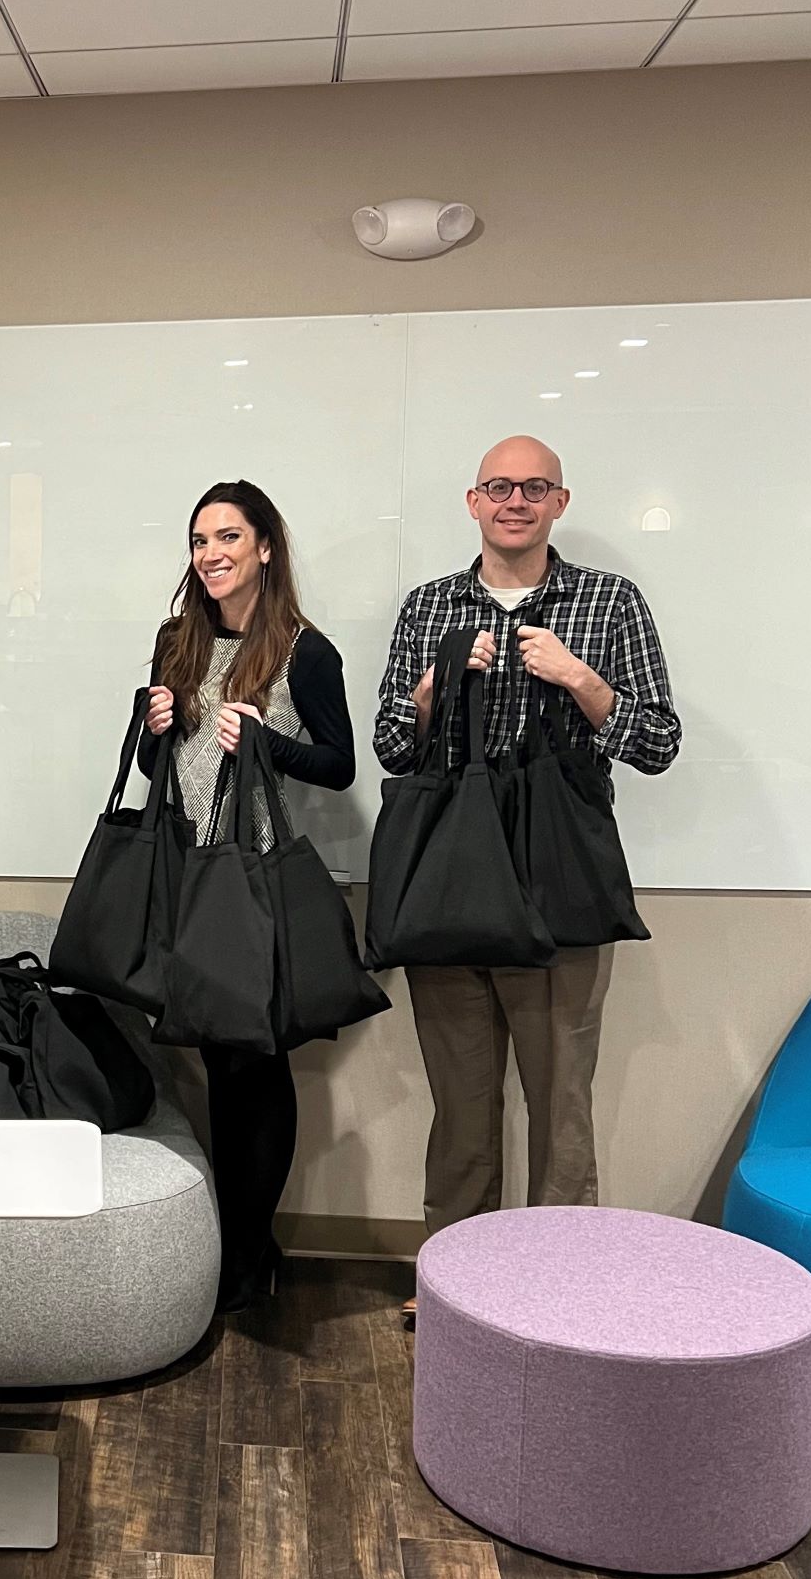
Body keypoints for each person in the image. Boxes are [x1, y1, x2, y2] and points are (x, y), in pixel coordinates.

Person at [375, 436, 680, 1312]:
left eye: (533, 487)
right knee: (461, 1113)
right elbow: (392, 746)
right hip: (450, 882)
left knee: (560, 1109)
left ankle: (557, 1292)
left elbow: (657, 744)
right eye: (499, 487)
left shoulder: (607, 600)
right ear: (472, 502)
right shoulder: (430, 606)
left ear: (560, 501)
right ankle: (454, 1289)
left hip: (559, 886)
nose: (515, 500)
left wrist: (581, 680)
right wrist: (433, 689)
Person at [143, 479, 358, 1312]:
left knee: (255, 1062)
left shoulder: (305, 651)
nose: (211, 555)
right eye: (199, 541)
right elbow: (151, 771)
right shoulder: (177, 641)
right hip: (187, 871)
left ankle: (248, 1252)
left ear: (265, 547)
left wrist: (265, 741)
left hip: (256, 880)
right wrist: (154, 725)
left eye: (227, 537)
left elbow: (338, 766)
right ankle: (238, 1244)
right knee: (214, 1061)